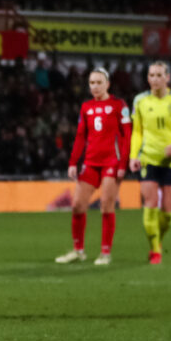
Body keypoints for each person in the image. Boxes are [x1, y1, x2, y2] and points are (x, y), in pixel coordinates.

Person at [54, 68, 131, 266]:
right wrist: (73, 162)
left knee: (106, 205)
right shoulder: (86, 107)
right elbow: (81, 136)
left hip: (111, 162)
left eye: (99, 82)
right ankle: (78, 251)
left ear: (108, 84)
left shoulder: (119, 105)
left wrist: (123, 164)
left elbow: (127, 136)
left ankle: (105, 253)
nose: (95, 86)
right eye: (91, 83)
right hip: (90, 162)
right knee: (78, 205)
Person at [129, 61, 171, 265]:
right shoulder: (140, 100)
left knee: (168, 213)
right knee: (150, 205)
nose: (155, 79)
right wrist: (133, 156)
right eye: (151, 75)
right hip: (148, 159)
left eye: (159, 75)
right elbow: (137, 131)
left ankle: (158, 239)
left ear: (167, 77)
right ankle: (155, 250)